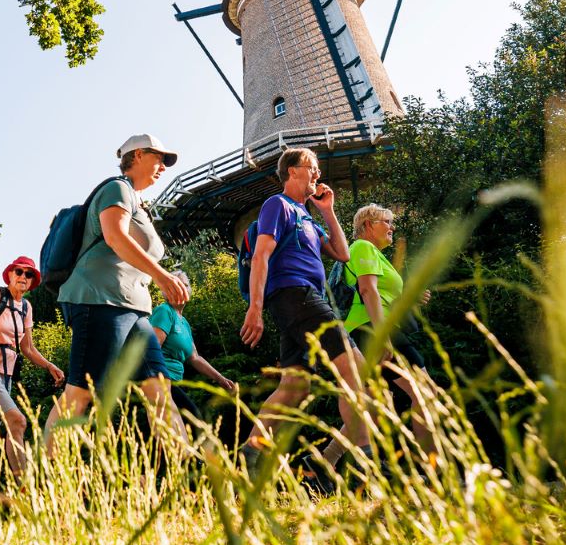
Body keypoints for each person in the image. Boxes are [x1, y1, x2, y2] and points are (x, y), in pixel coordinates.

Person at [43, 134, 193, 455]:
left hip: (135, 309)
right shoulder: (117, 189)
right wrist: (163, 276)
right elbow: (114, 236)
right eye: (159, 159)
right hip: (99, 300)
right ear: (137, 155)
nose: (163, 168)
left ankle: (185, 481)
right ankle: (41, 483)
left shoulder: (138, 203)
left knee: (160, 393)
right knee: (80, 394)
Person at [237, 147, 364, 469]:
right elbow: (261, 256)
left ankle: (251, 456)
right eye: (312, 167)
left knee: (295, 386)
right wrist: (255, 308)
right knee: (354, 369)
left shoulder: (305, 215)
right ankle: (369, 460)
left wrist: (328, 211)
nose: (318, 174)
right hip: (296, 295)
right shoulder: (277, 205)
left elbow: (341, 253)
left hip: (299, 300)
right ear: (292, 171)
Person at [342, 204, 438, 451]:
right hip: (373, 329)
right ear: (367, 225)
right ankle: (434, 471)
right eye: (386, 221)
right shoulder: (362, 246)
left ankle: (324, 463)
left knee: (373, 404)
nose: (392, 227)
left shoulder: (375, 253)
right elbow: (367, 290)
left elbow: (381, 293)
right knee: (426, 393)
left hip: (369, 328)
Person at [0, 256, 66, 475]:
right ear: (10, 274)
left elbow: (27, 347)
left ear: (32, 281)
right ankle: (25, 486)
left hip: (5, 377)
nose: (23, 277)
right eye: (18, 272)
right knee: (18, 422)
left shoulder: (26, 308)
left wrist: (49, 365)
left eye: (28, 274)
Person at [148, 271, 237, 423]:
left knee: (183, 425)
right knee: (194, 419)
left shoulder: (184, 323)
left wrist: (221, 379)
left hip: (177, 381)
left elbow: (194, 358)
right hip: (163, 381)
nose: (183, 288)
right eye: (178, 285)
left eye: (186, 285)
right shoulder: (164, 311)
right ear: (166, 290)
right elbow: (152, 348)